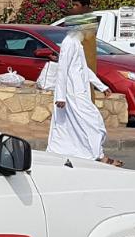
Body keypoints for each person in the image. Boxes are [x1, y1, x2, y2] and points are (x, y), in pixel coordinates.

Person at [46, 26, 119, 164]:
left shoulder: (77, 43)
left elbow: (83, 69)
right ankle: (98, 155)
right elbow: (62, 69)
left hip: (79, 92)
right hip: (72, 93)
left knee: (82, 125)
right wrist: (61, 96)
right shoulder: (69, 42)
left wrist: (101, 86)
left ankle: (94, 154)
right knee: (93, 122)